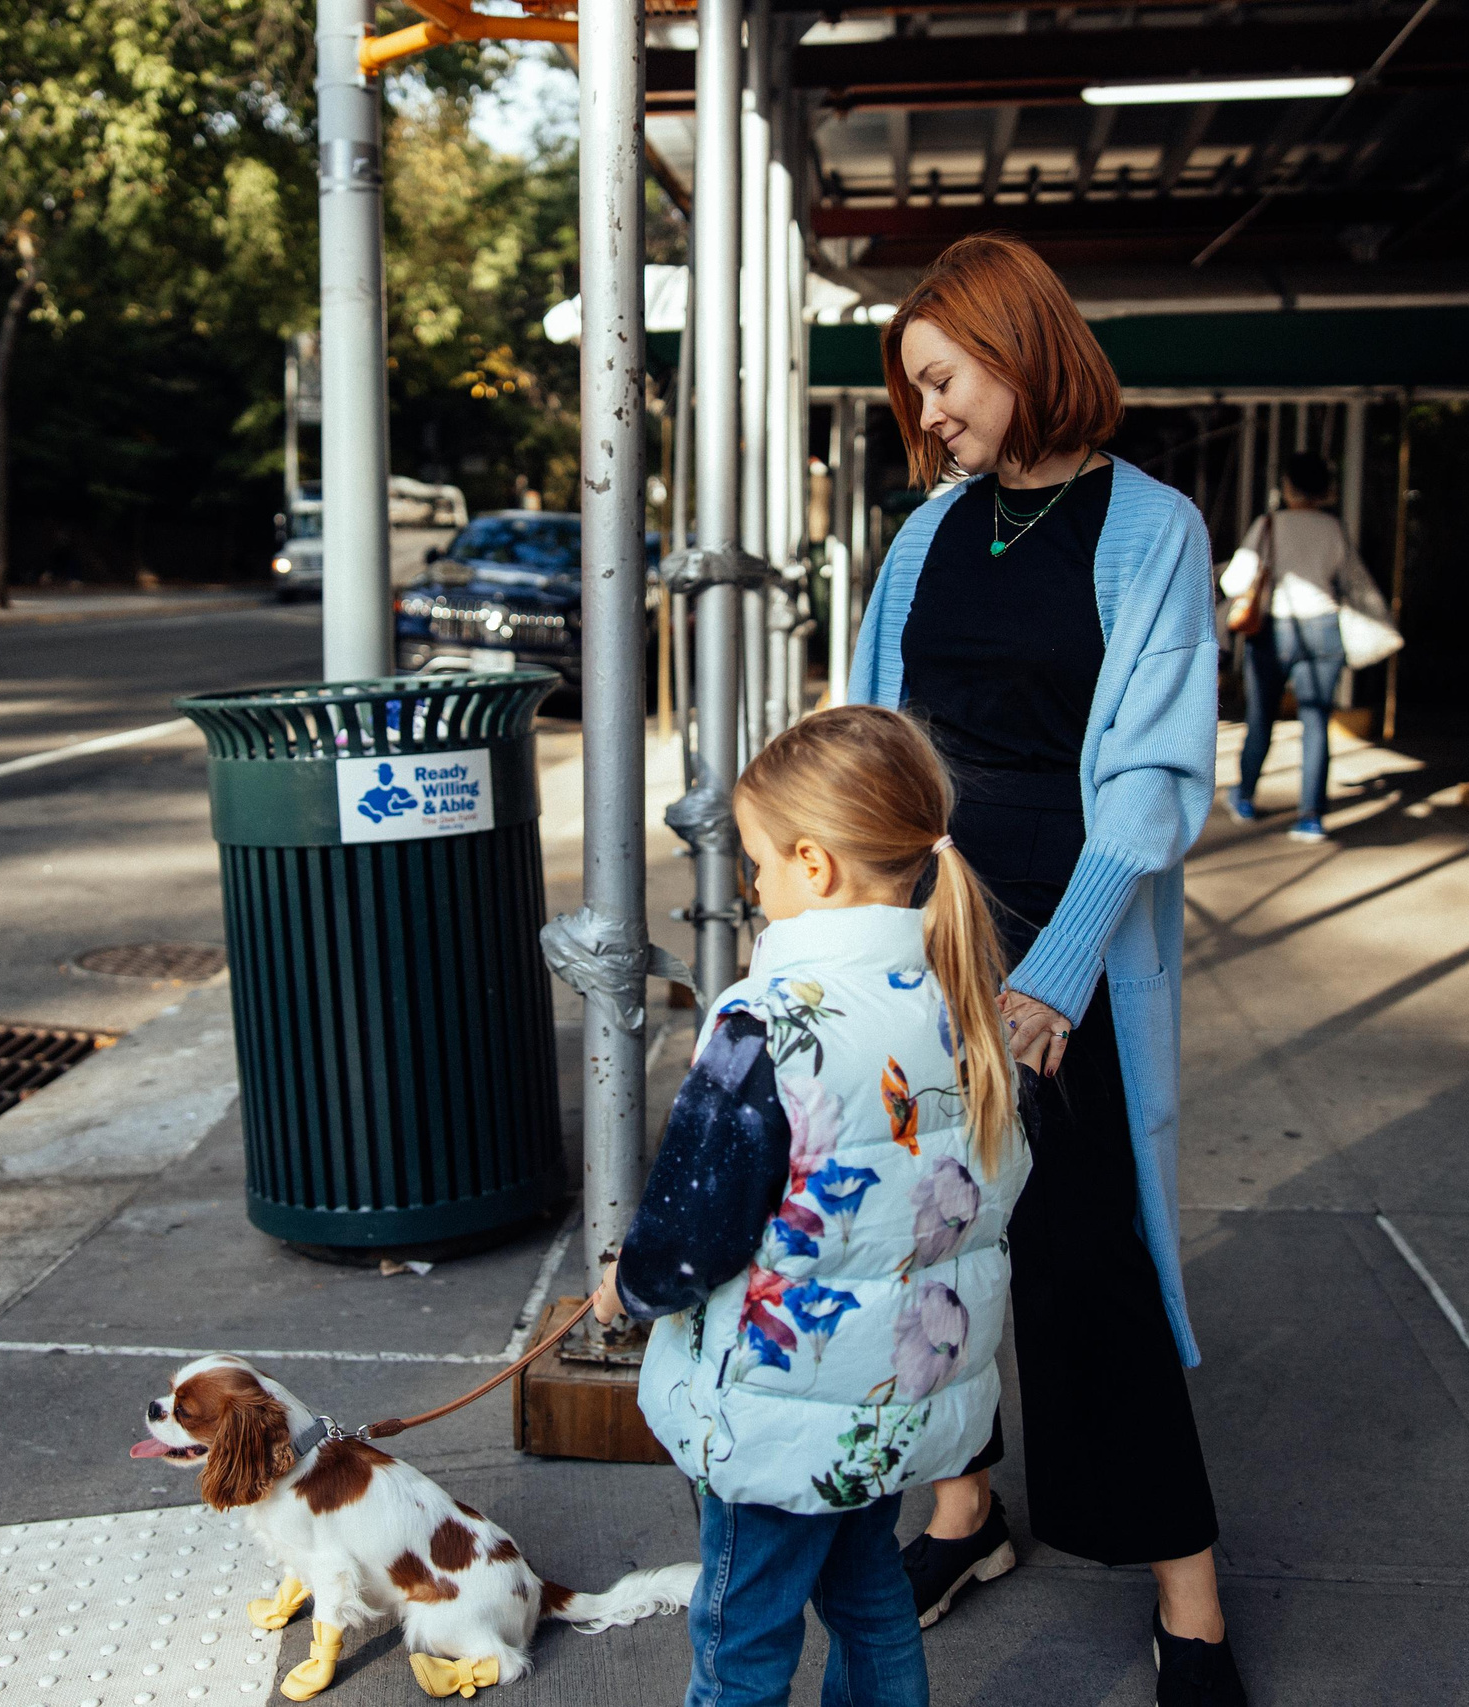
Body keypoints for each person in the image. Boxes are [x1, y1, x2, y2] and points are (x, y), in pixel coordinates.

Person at [854, 232, 1247, 1705]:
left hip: (1059, 951)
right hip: (921, 937)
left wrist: (1056, 975)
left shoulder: (1151, 529)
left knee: (1090, 1264)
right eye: (918, 392)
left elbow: (1150, 777)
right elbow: (875, 737)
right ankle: (966, 1513)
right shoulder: (928, 532)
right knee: (931, 1243)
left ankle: (1191, 1604)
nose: (931, 415)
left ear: (1021, 347)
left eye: (944, 380)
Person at [599, 704, 1030, 1707]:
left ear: (816, 865)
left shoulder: (767, 1023)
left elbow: (695, 1224)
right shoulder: (959, 992)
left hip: (776, 1410)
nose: (752, 886)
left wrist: (631, 1285)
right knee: (869, 1596)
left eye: (757, 863)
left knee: (740, 1636)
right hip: (890, 1403)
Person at [1217, 451, 1388, 842]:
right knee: (1315, 724)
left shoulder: (1270, 524)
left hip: (1275, 630)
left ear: (1288, 486)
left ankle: (1244, 797)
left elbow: (1235, 582)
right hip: (1324, 628)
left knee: (1261, 717)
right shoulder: (1332, 527)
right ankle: (1311, 816)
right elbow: (1347, 578)